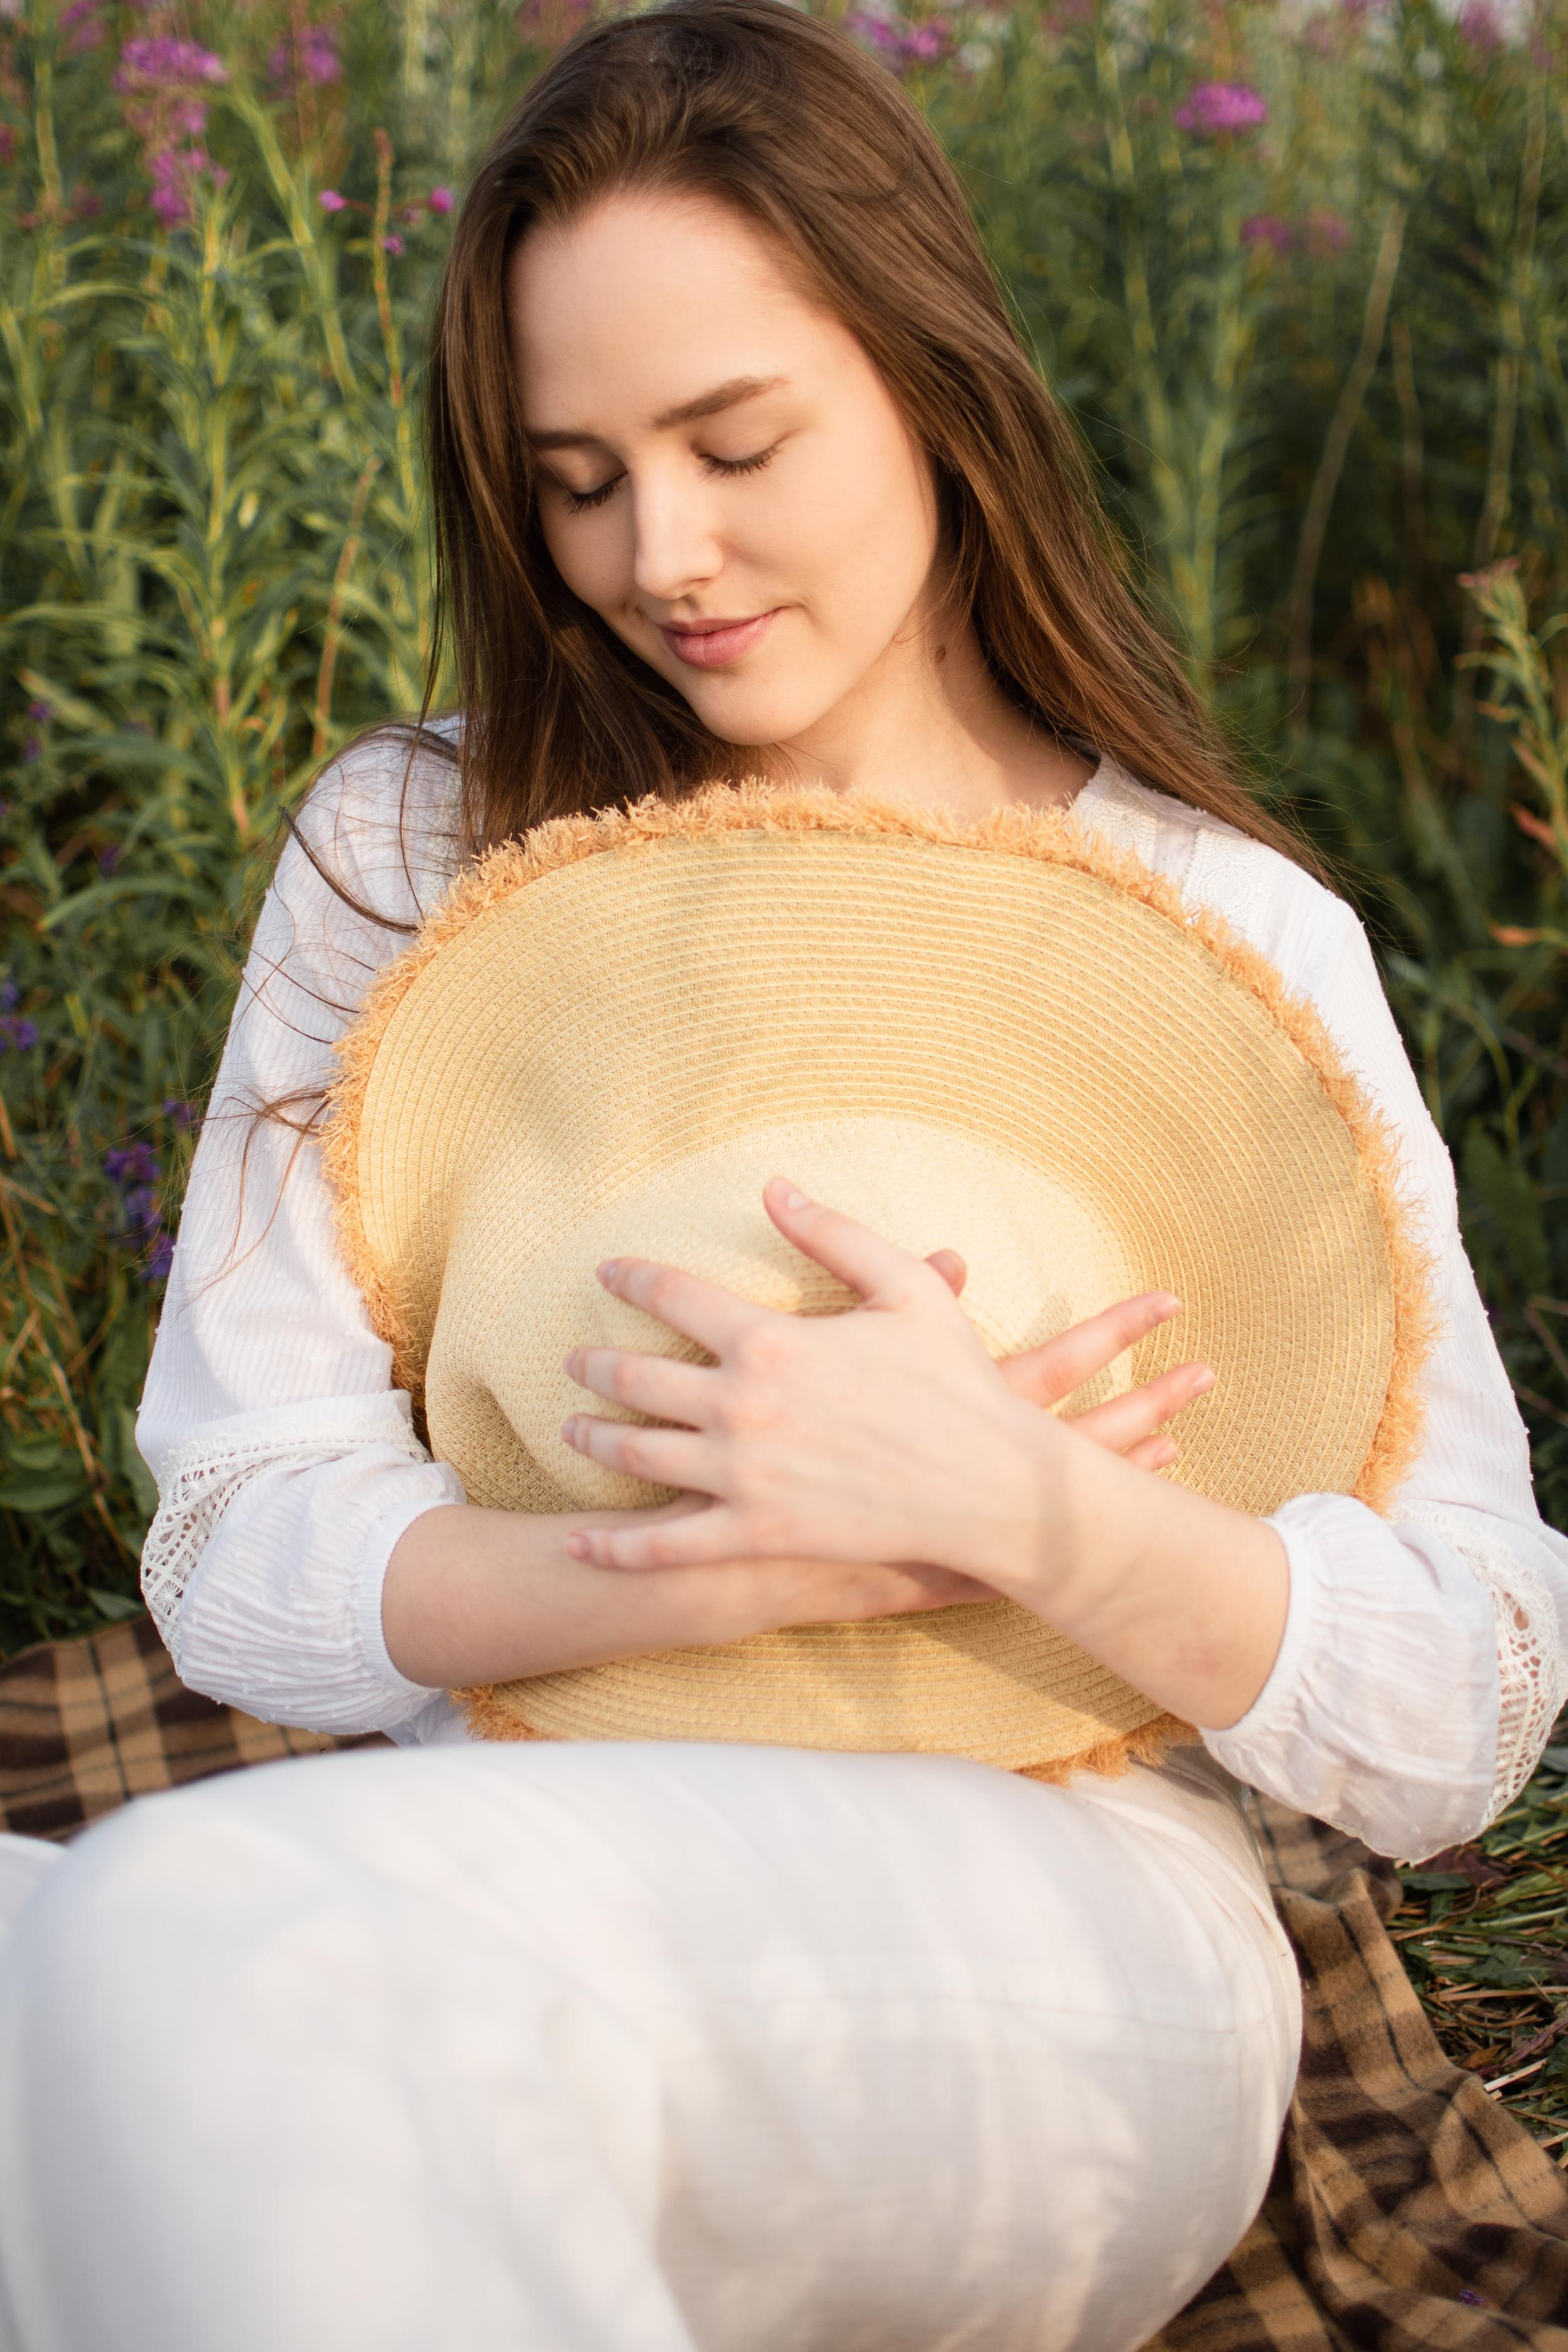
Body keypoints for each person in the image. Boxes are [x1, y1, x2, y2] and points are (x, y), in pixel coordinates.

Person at [0, 5, 1564, 2346]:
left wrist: (1022, 1514)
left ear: (933, 382)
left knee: (206, 1958)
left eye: (737, 442)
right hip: (475, 1806)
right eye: (577, 476)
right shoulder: (409, 849)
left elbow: (1461, 1697)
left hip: (1058, 1912)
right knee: (135, 1994)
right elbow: (240, 1535)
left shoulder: (1220, 928)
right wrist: (715, 1558)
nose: (664, 554)